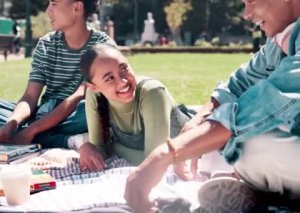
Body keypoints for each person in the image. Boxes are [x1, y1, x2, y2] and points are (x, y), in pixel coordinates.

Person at [124, 0, 300, 212]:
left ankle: (270, 196)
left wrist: (164, 155)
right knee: (209, 148)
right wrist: (199, 119)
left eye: (251, 1)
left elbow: (262, 107)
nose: (246, 14)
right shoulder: (282, 39)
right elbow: (240, 82)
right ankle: (261, 189)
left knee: (246, 142)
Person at [0, 0, 114, 148]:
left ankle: (47, 137)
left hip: (75, 112)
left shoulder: (102, 47)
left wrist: (31, 130)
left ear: (77, 7)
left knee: (97, 110)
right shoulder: (46, 44)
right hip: (43, 113)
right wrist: (11, 123)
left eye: (54, 4)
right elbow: (30, 97)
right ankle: (62, 139)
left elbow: (79, 95)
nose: (48, 10)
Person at [78, 44, 190, 171]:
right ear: (94, 87)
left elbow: (155, 160)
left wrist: (112, 147)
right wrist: (86, 148)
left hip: (195, 153)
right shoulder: (95, 96)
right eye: (110, 78)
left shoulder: (152, 93)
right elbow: (99, 151)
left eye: (124, 69)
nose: (122, 81)